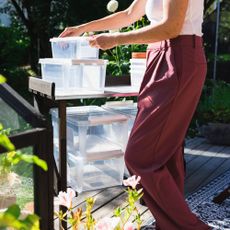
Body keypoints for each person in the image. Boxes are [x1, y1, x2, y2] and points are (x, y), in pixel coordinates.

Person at [60, 0, 211, 229]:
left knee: (140, 156)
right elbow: (129, 14)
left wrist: (115, 39)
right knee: (166, 153)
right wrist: (82, 28)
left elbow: (171, 27)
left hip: (177, 57)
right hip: (162, 56)